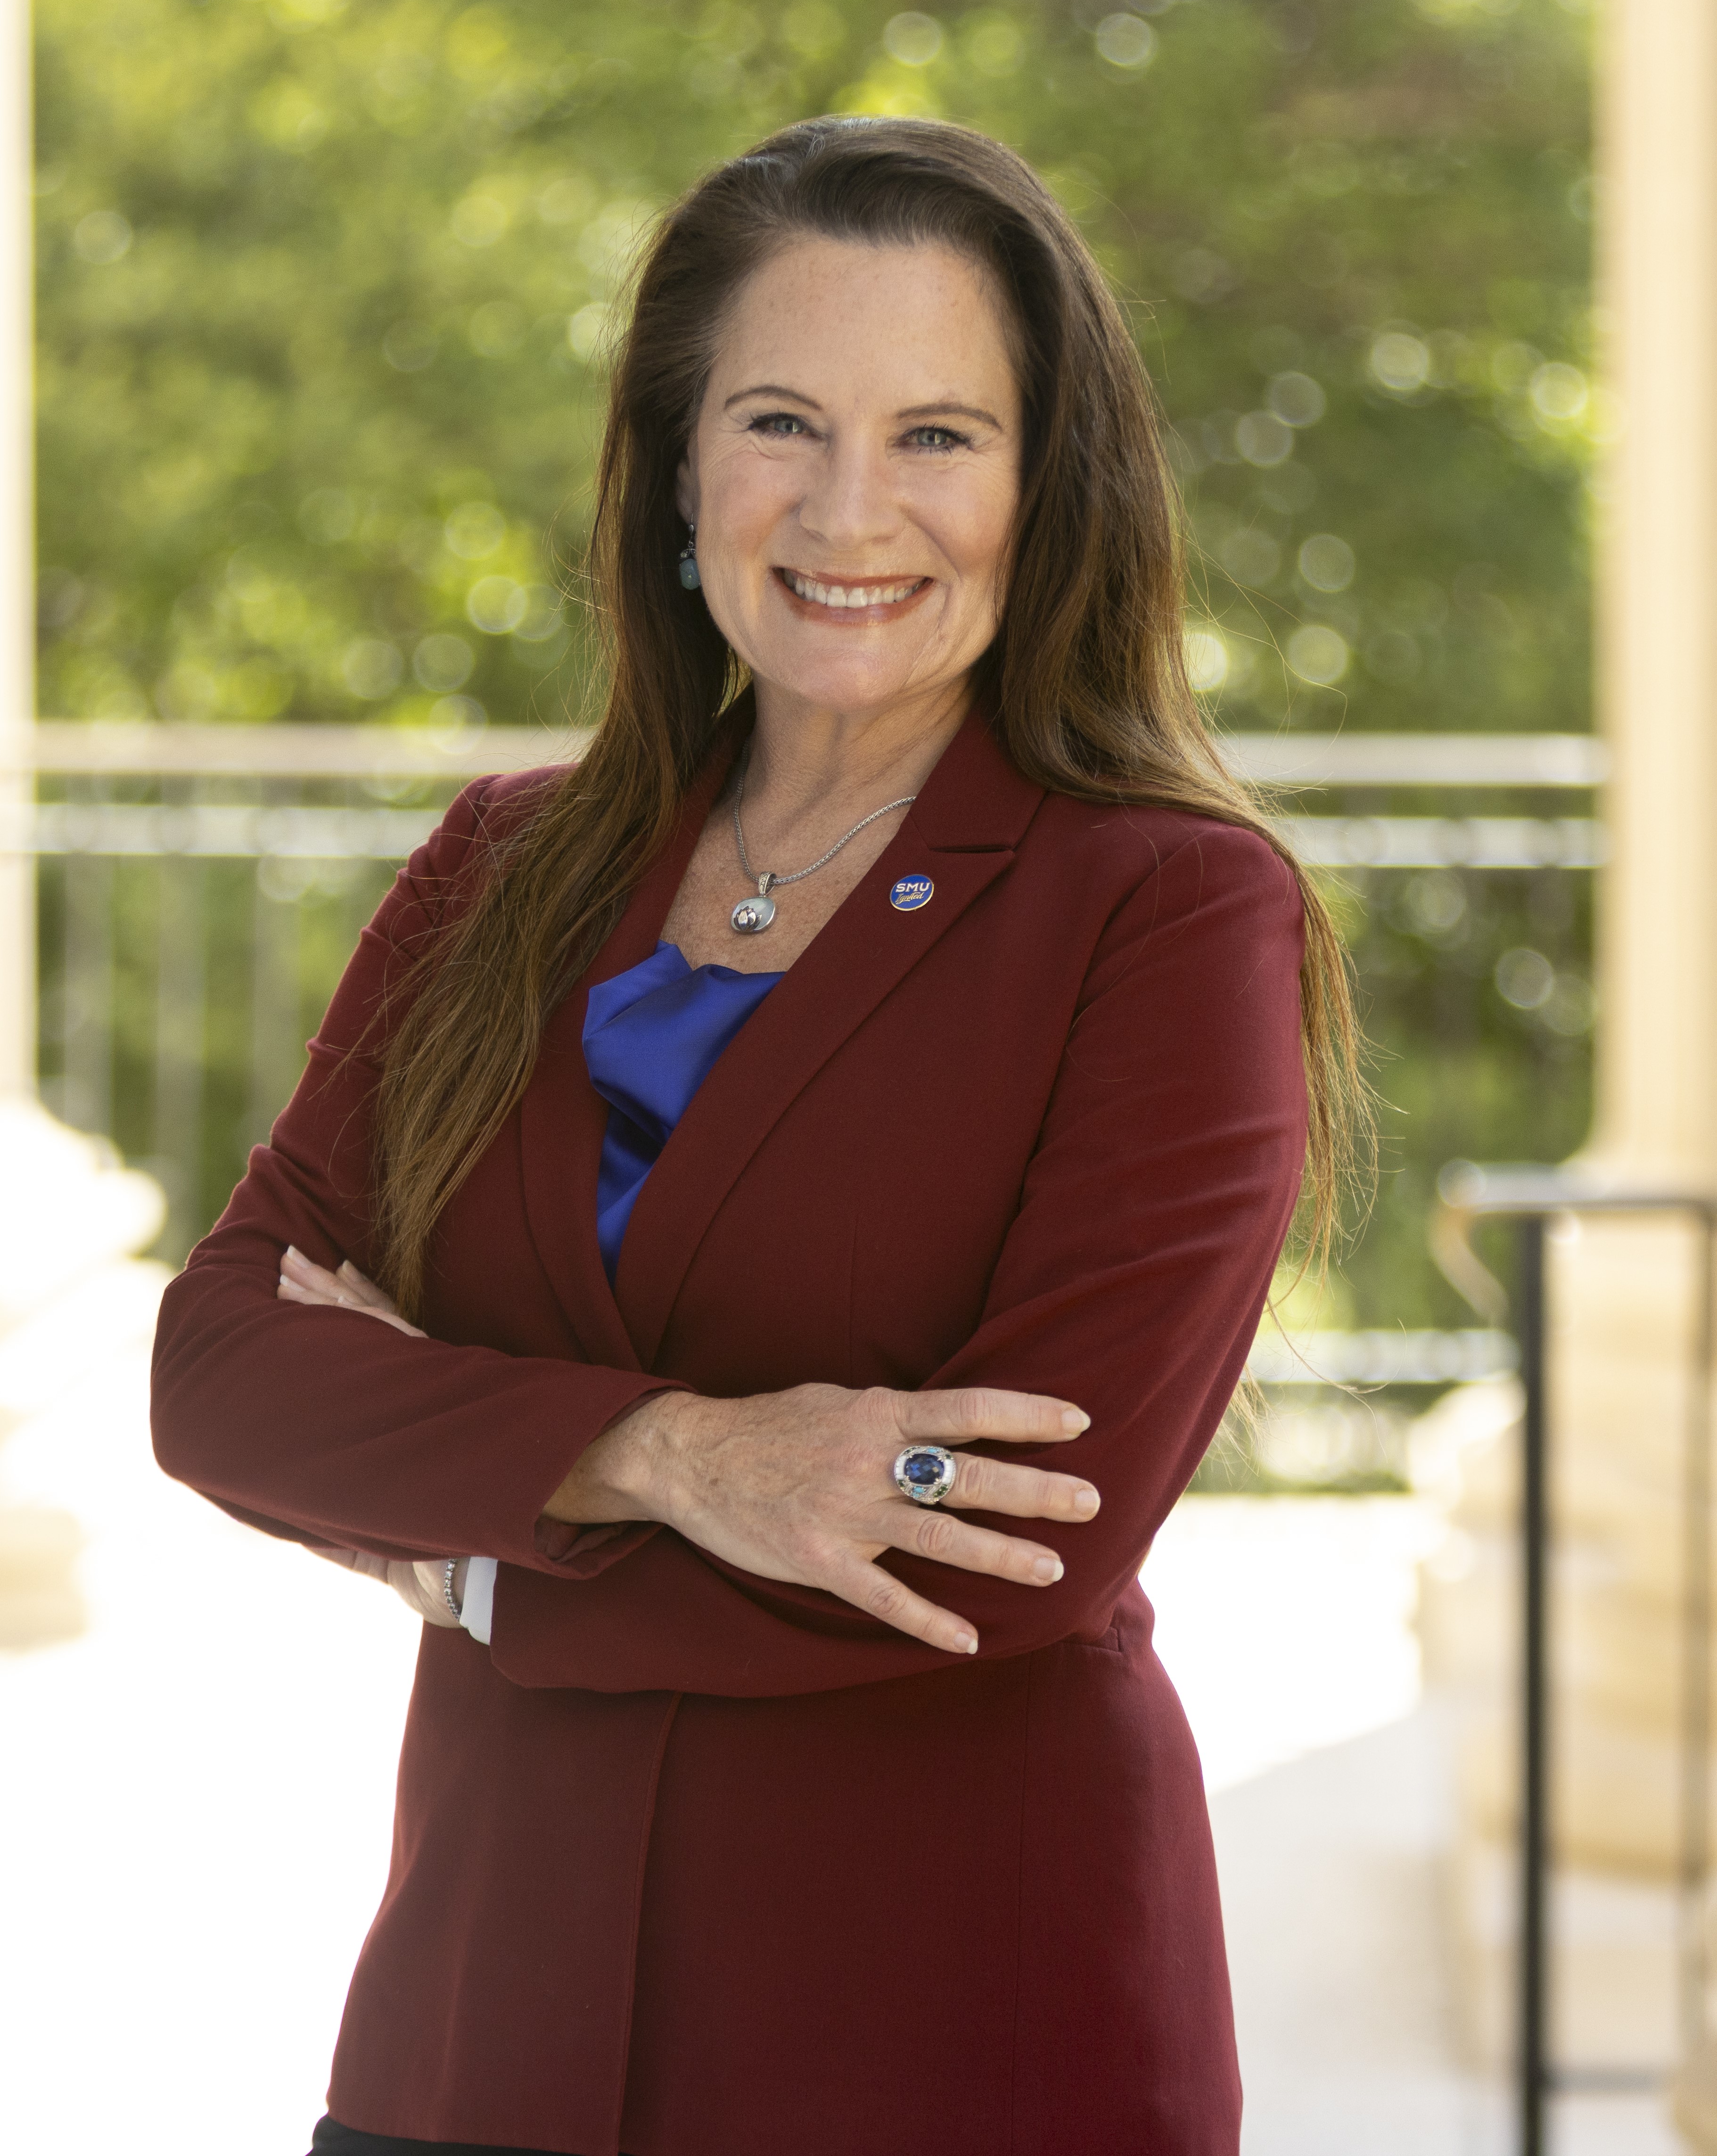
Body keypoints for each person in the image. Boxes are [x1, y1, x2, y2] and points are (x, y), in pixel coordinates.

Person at [151, 115, 1362, 2156]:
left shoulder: (1161, 911)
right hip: (483, 2015)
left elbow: (1006, 1556)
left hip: (948, 2026)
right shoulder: (506, 864)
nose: (850, 508)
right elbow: (222, 1368)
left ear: (1046, 486)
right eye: (781, 420)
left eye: (940, 436)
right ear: (677, 468)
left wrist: (477, 1551)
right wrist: (673, 1456)